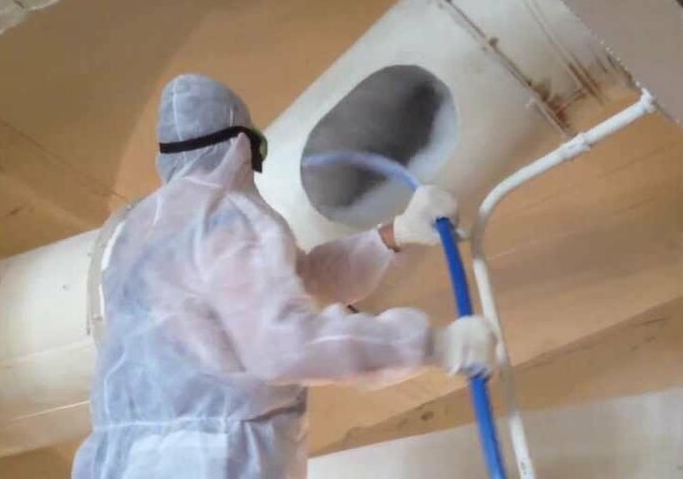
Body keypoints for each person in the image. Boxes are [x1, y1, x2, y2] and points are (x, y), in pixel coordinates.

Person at [72, 74, 497, 479]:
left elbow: (300, 276)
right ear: (242, 147)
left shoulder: (140, 230)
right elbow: (284, 346)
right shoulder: (227, 216)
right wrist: (434, 345)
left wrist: (395, 234)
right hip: (211, 460)